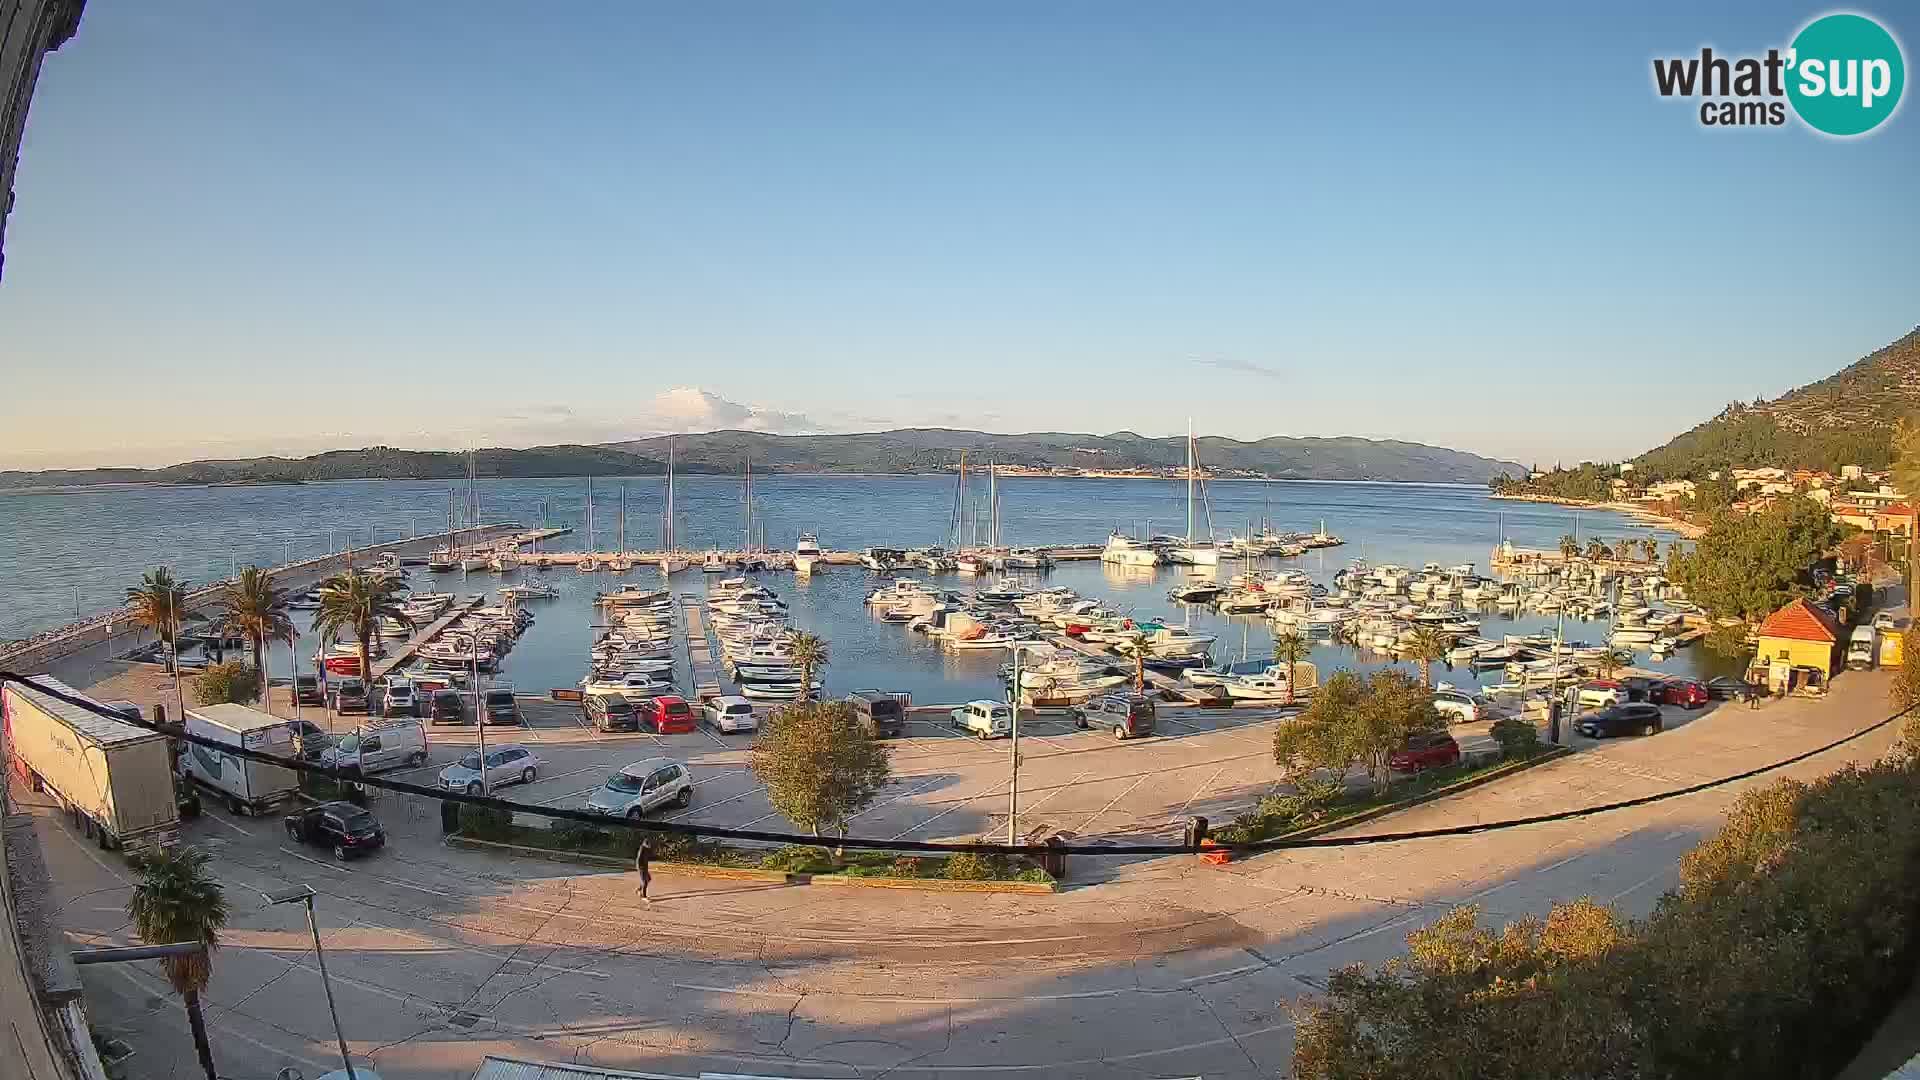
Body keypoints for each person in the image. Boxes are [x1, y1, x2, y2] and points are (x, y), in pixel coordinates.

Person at [635, 838, 653, 906]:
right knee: (645, 882)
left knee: (648, 879)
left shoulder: (646, 849)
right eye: (649, 845)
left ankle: (639, 890)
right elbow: (638, 859)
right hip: (641, 868)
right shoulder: (642, 849)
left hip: (645, 868)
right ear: (646, 844)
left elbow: (647, 858)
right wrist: (639, 868)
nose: (650, 846)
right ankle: (644, 897)